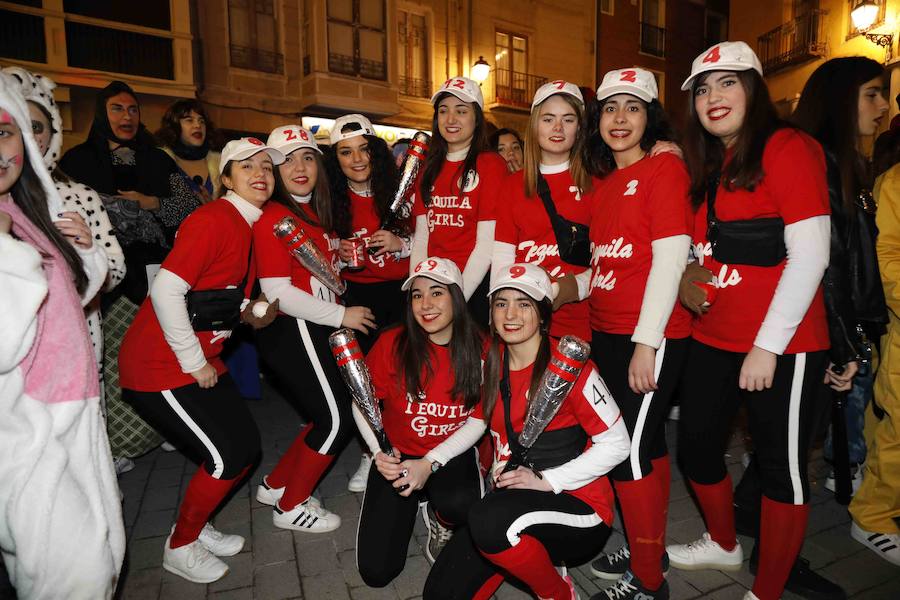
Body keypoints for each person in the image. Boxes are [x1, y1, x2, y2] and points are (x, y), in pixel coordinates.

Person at [666, 42, 831, 600]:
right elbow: (698, 245)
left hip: (783, 344)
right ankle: (722, 543)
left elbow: (811, 254)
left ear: (754, 90)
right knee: (697, 447)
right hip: (714, 336)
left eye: (727, 83)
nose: (713, 98)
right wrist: (689, 274)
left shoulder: (788, 148)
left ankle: (768, 588)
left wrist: (767, 347)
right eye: (703, 89)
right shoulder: (709, 163)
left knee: (780, 469)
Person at [118, 137, 281, 584]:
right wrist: (194, 362)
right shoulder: (214, 219)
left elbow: (213, 297)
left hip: (199, 356)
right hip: (160, 366)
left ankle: (196, 524)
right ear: (225, 178)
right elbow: (167, 290)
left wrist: (250, 313)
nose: (259, 172)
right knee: (228, 454)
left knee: (246, 447)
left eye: (266, 165)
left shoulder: (250, 224)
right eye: (245, 166)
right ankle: (180, 545)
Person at [423, 263, 630, 600]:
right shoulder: (491, 360)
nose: (511, 314)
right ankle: (531, 554)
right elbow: (477, 423)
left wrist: (548, 481)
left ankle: (557, 593)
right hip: (514, 497)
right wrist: (429, 462)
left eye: (524, 303)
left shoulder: (568, 367)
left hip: (579, 505)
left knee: (488, 522)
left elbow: (618, 444)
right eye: (501, 303)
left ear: (543, 314)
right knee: (440, 595)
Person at [0, 71, 125, 599]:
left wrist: (83, 250)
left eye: (5, 133)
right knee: (76, 574)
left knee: (102, 554)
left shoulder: (25, 208)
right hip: (20, 426)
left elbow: (80, 288)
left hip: (73, 402)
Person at [571, 68, 692, 600]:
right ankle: (651, 547)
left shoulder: (664, 168)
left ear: (650, 117)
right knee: (649, 448)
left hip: (651, 335)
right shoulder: (606, 184)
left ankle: (648, 583)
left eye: (633, 107)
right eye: (611, 108)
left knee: (630, 451)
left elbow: (669, 259)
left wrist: (648, 342)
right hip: (609, 332)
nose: (620, 119)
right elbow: (604, 266)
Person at [60, 81, 200, 471]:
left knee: (162, 351)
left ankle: (168, 427)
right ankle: (116, 444)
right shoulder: (77, 162)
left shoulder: (156, 159)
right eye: (118, 109)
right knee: (112, 357)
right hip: (105, 278)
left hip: (158, 272)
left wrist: (149, 203)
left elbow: (189, 208)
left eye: (133, 110)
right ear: (103, 114)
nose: (127, 117)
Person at [252, 124, 374, 533]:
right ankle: (290, 506)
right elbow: (276, 291)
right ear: (272, 169)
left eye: (307, 157)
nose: (299, 167)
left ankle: (276, 484)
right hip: (295, 329)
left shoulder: (313, 212)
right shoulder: (275, 216)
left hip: (312, 326)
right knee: (336, 419)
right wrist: (343, 316)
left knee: (322, 414)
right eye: (285, 161)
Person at [2, 66, 126, 410]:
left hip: (80, 338)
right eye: (19, 126)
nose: (29, 136)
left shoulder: (79, 195)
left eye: (37, 127)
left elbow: (115, 269)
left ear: (51, 134)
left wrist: (88, 251)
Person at [354, 257, 484, 583]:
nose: (425, 304)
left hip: (449, 454)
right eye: (416, 295)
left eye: (436, 293)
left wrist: (431, 462)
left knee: (460, 504)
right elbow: (362, 402)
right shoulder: (392, 342)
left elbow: (479, 420)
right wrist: (378, 451)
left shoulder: (483, 347)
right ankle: (412, 499)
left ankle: (440, 516)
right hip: (398, 455)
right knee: (376, 572)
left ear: (456, 297)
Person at [326, 113, 409, 493]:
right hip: (358, 298)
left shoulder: (400, 192)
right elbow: (320, 261)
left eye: (363, 150)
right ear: (336, 159)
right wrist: (338, 254)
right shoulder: (328, 198)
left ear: (376, 152)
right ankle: (370, 450)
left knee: (404, 378)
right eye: (345, 152)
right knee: (365, 381)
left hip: (402, 294)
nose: (356, 160)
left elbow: (428, 242)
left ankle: (406, 444)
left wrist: (400, 244)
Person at [492, 81, 593, 341]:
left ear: (579, 128)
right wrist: (496, 316)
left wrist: (569, 289)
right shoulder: (512, 184)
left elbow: (609, 260)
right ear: (535, 125)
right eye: (548, 119)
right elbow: (503, 257)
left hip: (579, 320)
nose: (558, 128)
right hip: (523, 323)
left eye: (568, 119)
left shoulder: (597, 181)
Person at [411, 76, 508, 325]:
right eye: (443, 111)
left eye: (461, 111)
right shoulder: (428, 168)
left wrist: (457, 300)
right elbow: (422, 237)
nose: (451, 119)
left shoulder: (491, 165)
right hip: (433, 287)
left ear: (476, 118)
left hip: (471, 287)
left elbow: (487, 243)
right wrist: (418, 294)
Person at [849, 129, 900, 567]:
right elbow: (883, 258)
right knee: (896, 422)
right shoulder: (895, 183)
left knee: (886, 415)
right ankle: (873, 515)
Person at [156, 98, 222, 204]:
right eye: (189, 120)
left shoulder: (221, 163)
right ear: (175, 126)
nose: (198, 125)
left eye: (202, 121)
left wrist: (212, 209)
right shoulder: (159, 160)